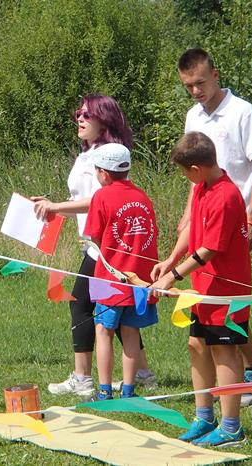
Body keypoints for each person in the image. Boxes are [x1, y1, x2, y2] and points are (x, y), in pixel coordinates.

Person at [32, 94, 156, 397]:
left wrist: (56, 207)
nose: (80, 118)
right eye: (79, 113)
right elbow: (84, 198)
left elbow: (99, 199)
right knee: (119, 310)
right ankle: (142, 374)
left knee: (83, 305)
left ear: (105, 120)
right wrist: (55, 206)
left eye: (87, 114)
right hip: (95, 242)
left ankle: (84, 378)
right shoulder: (87, 154)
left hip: (103, 246)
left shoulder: (107, 155)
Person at [177, 48, 252, 407]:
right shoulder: (193, 115)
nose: (196, 91)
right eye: (188, 86)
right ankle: (241, 377)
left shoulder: (242, 111)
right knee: (211, 301)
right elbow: (193, 171)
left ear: (215, 75)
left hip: (235, 217)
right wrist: (188, 215)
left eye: (200, 83)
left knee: (229, 299)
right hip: (204, 214)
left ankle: (250, 375)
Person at [151, 132, 251, 447]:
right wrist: (170, 260)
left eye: (184, 172)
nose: (186, 177)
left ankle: (232, 427)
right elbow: (194, 227)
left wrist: (173, 277)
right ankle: (204, 417)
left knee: (224, 351)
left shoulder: (226, 196)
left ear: (196, 168)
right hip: (203, 287)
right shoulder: (201, 188)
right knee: (197, 345)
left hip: (226, 291)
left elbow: (209, 250)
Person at [84, 143, 159, 400]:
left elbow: (94, 236)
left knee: (103, 331)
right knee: (131, 331)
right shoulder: (142, 196)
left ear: (104, 173)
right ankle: (128, 390)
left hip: (109, 277)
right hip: (140, 278)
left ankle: (105, 391)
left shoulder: (101, 196)